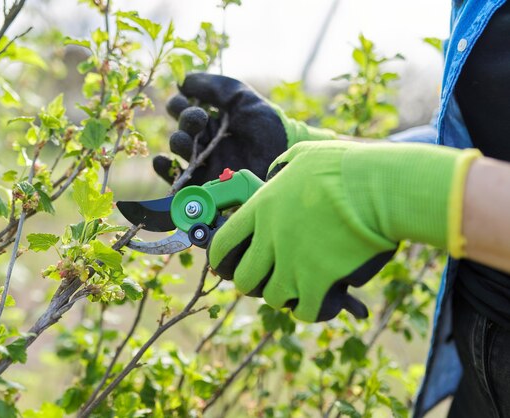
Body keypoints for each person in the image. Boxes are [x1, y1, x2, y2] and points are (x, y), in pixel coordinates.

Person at [152, 1, 510, 417]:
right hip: (479, 357)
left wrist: (391, 193)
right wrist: (308, 150)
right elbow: (475, 146)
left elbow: (428, 184)